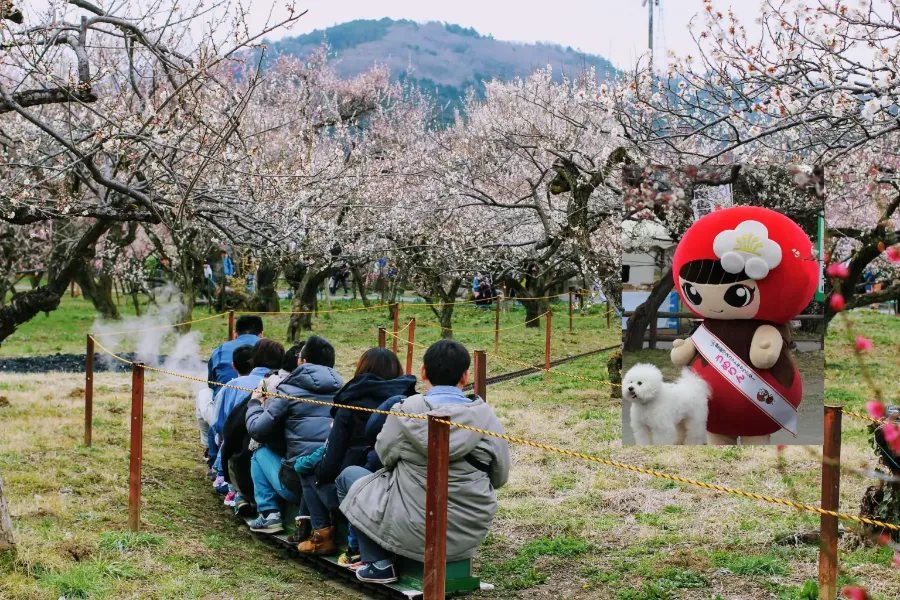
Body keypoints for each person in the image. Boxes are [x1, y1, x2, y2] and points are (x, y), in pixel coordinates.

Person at [338, 340, 511, 583]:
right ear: (465, 375)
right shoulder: (487, 418)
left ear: (423, 372)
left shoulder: (405, 410)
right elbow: (500, 478)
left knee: (349, 477)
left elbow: (385, 457)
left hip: (410, 528)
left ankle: (377, 562)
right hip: (468, 531)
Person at [295, 348, 417, 560]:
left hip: (352, 491)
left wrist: (318, 473)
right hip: (400, 490)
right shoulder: (408, 403)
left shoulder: (349, 403)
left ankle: (322, 533)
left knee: (310, 472)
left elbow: (330, 463)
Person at [245, 336, 343, 533]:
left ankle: (269, 514)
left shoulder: (283, 388)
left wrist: (254, 402)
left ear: (303, 361)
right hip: (332, 478)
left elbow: (257, 430)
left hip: (297, 482)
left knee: (259, 453)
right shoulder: (343, 390)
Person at [221, 343, 304, 517]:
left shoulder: (268, 385)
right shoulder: (336, 391)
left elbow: (238, 429)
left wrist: (254, 403)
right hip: (319, 476)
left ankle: (266, 510)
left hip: (286, 473)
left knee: (258, 450)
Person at [214, 339, 284, 501]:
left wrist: (221, 466)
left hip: (253, 463)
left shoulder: (258, 386)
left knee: (256, 451)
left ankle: (257, 503)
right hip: (292, 464)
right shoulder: (289, 386)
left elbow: (227, 429)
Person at [197, 316, 264, 472]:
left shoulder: (220, 350)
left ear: (235, 333)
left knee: (204, 393)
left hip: (226, 419)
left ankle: (209, 449)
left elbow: (212, 385)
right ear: (261, 334)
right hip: (262, 414)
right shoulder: (268, 350)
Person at [207, 345, 254, 492]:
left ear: (233, 366)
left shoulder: (231, 385)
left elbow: (218, 423)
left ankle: (216, 467)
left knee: (219, 432)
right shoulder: (268, 383)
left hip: (233, 442)